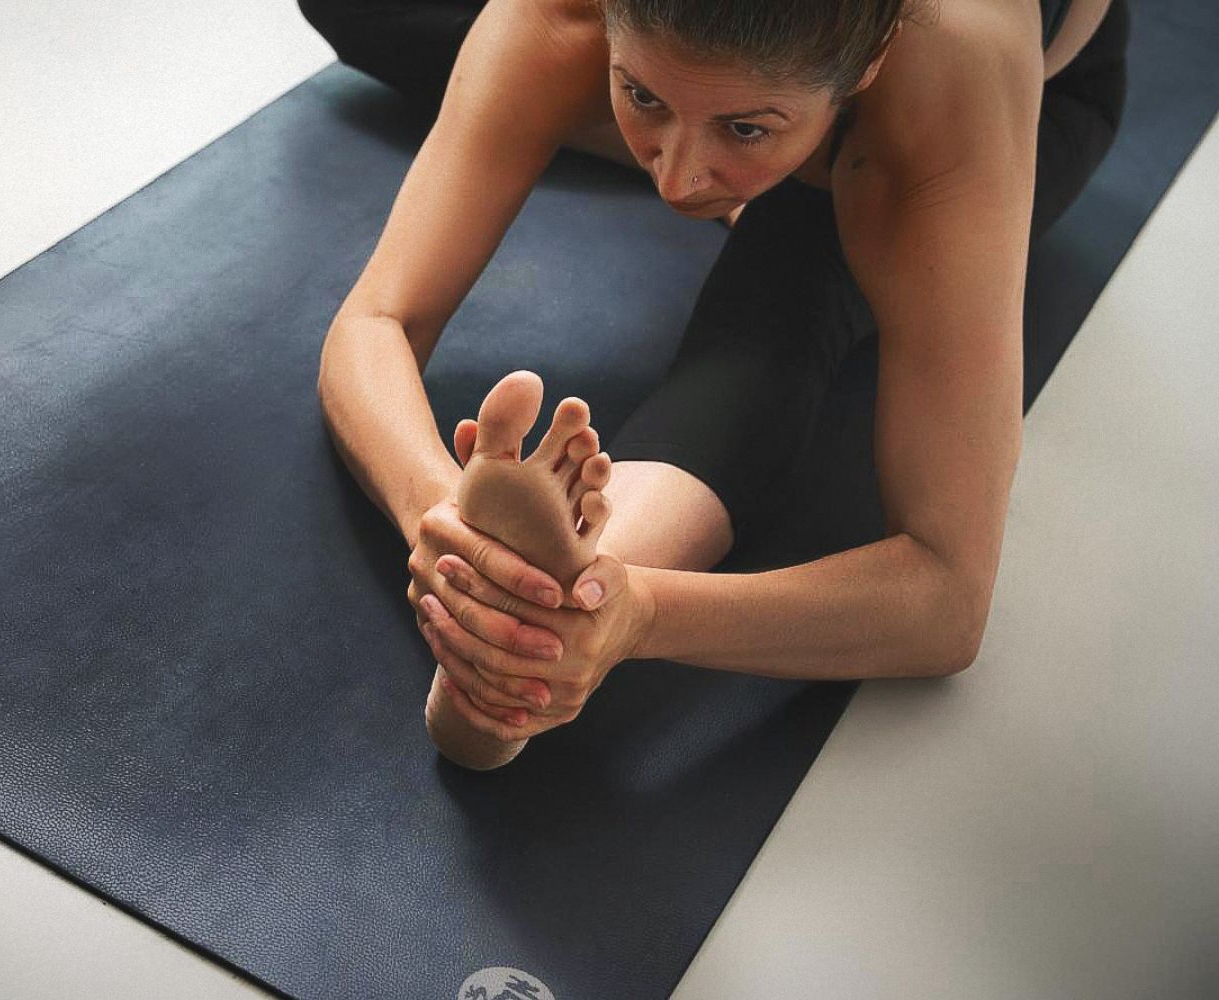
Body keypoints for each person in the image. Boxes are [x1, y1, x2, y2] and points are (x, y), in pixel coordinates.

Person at [307, 0, 1130, 769]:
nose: (676, 182)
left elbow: (948, 595)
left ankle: (542, 628)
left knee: (783, 301)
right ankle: (525, 617)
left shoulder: (942, 86)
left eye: (744, 129)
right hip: (741, 76)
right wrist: (441, 526)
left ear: (869, 60)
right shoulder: (570, 12)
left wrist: (635, 615)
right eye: (643, 97)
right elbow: (376, 320)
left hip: (985, 113)